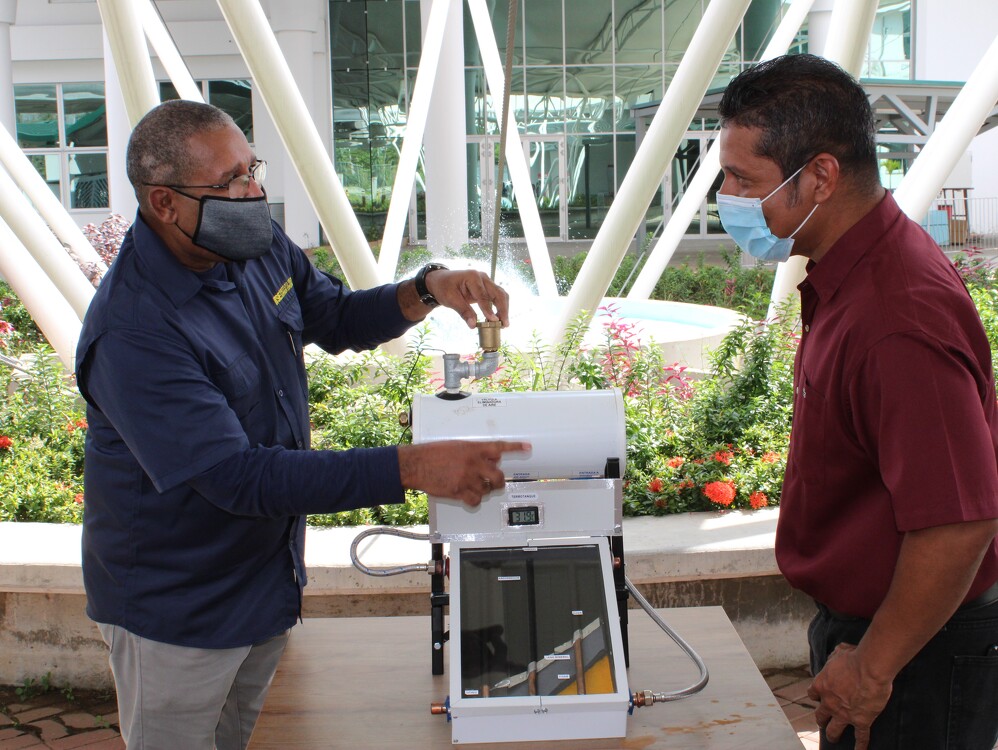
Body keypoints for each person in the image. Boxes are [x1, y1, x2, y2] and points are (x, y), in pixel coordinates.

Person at [75, 99, 528, 750]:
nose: (252, 191)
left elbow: (336, 317)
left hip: (262, 583)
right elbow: (235, 476)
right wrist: (414, 466)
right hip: (177, 610)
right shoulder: (136, 331)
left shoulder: (247, 245)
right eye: (228, 181)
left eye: (250, 169)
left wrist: (429, 288)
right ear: (163, 204)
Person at [716, 54, 998, 750]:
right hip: (882, 633)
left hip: (914, 652)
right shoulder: (853, 275)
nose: (727, 196)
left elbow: (959, 523)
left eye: (742, 180)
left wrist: (872, 669)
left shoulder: (895, 316)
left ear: (820, 175)